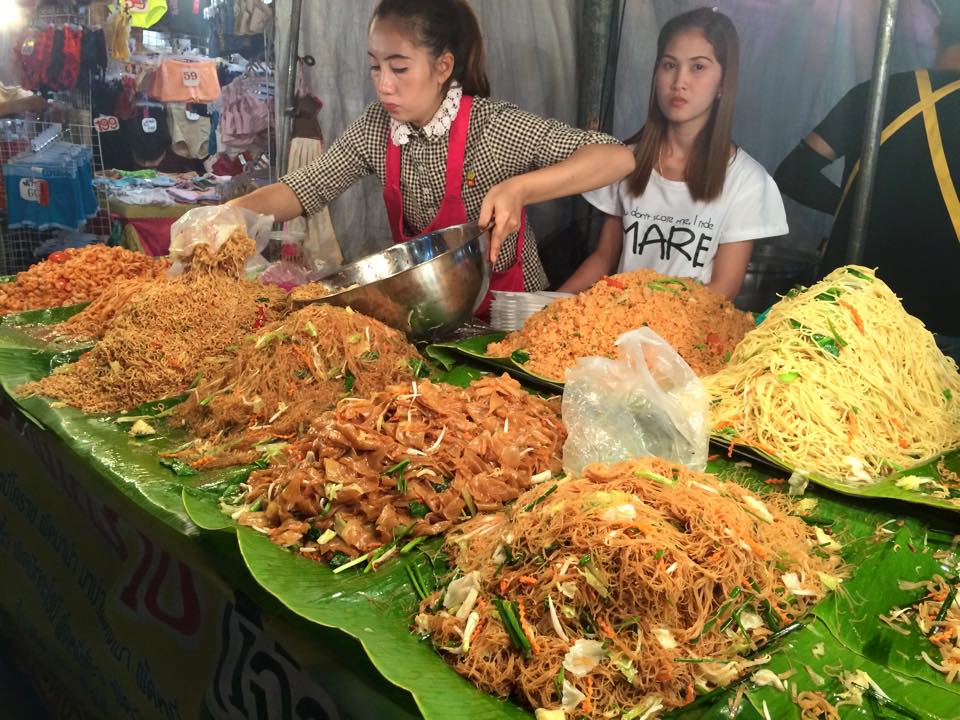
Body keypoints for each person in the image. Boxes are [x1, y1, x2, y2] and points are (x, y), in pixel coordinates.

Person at [228, 0, 634, 310]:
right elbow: (306, 188)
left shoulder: (491, 127)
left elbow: (617, 158)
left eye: (399, 68)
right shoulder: (376, 128)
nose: (383, 85)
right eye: (375, 67)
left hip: (509, 316)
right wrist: (229, 215)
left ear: (443, 67)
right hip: (434, 310)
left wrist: (521, 188)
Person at [558, 7, 787, 300]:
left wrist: (653, 323)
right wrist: (545, 308)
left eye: (698, 67)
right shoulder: (624, 160)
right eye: (669, 65)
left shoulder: (747, 181)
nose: (679, 81)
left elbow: (722, 291)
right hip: (616, 331)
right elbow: (604, 259)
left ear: (722, 83)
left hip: (689, 336)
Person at [774, 4, 960, 362]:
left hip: (855, 312)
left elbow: (795, 172)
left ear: (936, 35)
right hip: (948, 320)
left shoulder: (874, 93)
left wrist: (857, 209)